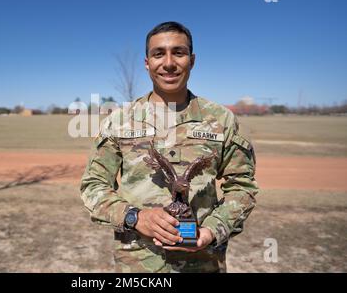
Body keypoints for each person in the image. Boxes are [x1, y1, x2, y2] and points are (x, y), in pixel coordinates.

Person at [80, 21, 259, 273]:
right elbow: (94, 185)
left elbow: (242, 186)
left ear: (192, 60)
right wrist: (134, 217)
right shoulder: (119, 121)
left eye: (178, 52)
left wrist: (212, 230)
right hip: (138, 265)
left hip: (203, 263)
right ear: (146, 63)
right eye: (158, 54)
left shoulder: (221, 120)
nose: (168, 63)